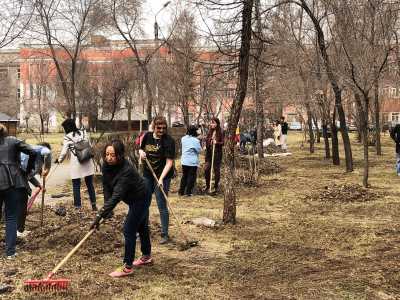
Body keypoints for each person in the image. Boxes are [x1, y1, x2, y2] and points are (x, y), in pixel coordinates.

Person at [90, 140, 152, 277]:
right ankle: (146, 256)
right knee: (142, 226)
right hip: (133, 198)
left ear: (120, 155)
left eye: (112, 155)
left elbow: (117, 195)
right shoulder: (106, 165)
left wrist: (100, 215)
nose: (109, 158)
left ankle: (127, 267)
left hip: (141, 197)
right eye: (107, 154)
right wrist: (107, 211)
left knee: (129, 229)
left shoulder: (126, 171)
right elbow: (107, 187)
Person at [0, 124, 36, 259]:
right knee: (11, 217)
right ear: (5, 132)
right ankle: (10, 252)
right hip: (13, 182)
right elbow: (33, 152)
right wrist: (28, 169)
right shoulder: (13, 141)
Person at [139, 116, 175, 244]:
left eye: (164, 128)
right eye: (158, 128)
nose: (161, 130)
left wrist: (160, 179)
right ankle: (143, 230)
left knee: (161, 204)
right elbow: (141, 149)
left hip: (163, 176)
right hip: (148, 174)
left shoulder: (169, 141)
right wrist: (141, 153)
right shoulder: (147, 136)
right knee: (144, 203)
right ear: (154, 127)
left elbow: (169, 162)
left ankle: (165, 234)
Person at [55, 119, 97, 211]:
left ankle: (78, 207)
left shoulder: (68, 137)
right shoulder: (84, 132)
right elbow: (89, 145)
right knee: (90, 184)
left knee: (76, 185)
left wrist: (59, 160)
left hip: (77, 163)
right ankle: (94, 205)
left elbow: (64, 152)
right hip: (87, 161)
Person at [18, 142, 52, 237]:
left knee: (18, 202)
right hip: (17, 176)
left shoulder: (35, 156)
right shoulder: (41, 150)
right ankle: (19, 231)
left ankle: (15, 227)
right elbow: (47, 152)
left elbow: (29, 176)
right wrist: (48, 168)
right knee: (21, 202)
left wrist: (40, 186)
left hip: (19, 176)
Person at [179, 125, 201, 196]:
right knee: (191, 177)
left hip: (184, 160)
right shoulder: (196, 140)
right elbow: (199, 150)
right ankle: (188, 192)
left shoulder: (183, 138)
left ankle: (181, 191)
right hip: (192, 162)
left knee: (184, 176)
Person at [204, 117, 224, 194]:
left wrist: (217, 143)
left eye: (213, 123)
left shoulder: (221, 132)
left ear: (217, 123)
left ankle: (216, 187)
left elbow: (223, 142)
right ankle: (208, 186)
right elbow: (206, 141)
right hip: (209, 154)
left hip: (217, 154)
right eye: (211, 123)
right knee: (206, 169)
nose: (212, 124)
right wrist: (210, 141)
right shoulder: (210, 132)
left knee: (216, 170)